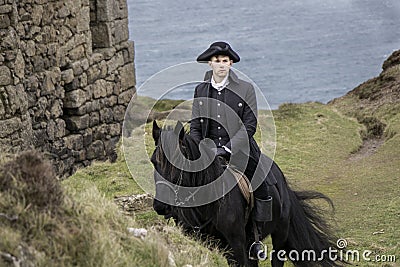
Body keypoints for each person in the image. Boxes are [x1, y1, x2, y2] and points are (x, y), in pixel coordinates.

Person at [190, 41, 272, 260]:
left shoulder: (245, 88)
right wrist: (202, 150)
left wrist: (227, 148)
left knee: (261, 186)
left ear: (231, 63)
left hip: (241, 151)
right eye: (217, 61)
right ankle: (192, 229)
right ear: (210, 63)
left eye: (225, 61)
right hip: (208, 154)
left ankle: (255, 240)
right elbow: (196, 126)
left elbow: (250, 125)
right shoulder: (200, 89)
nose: (221, 65)